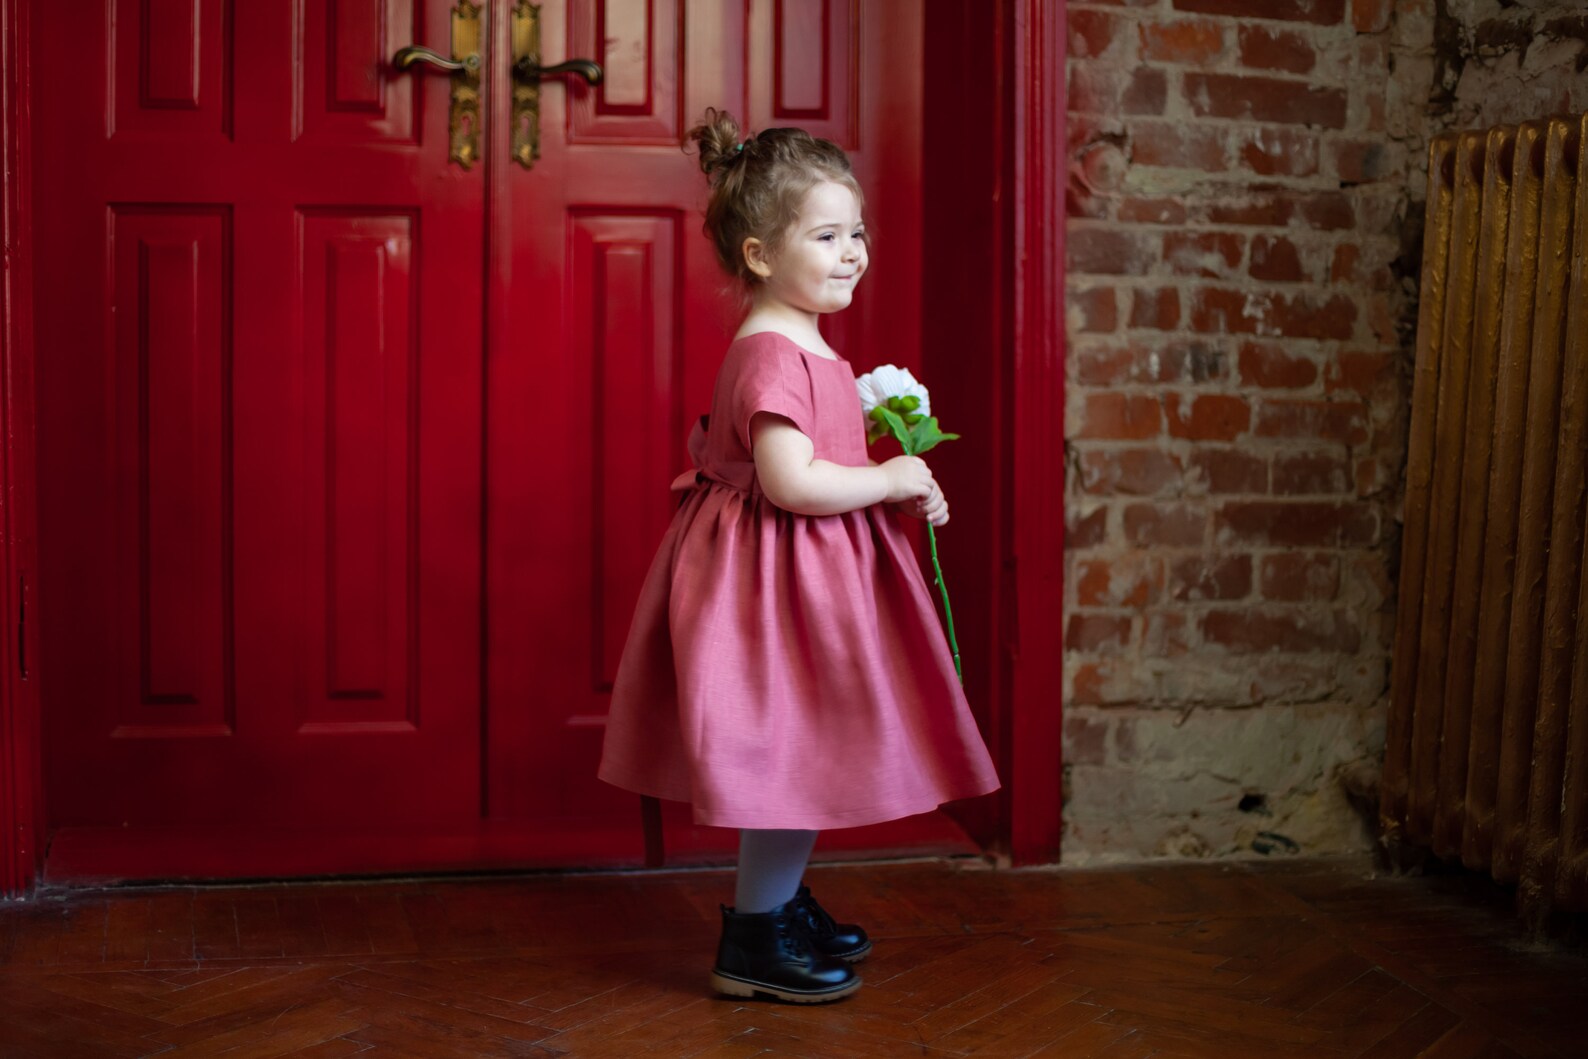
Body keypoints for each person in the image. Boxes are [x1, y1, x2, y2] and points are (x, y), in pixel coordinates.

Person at [598, 108, 1000, 1004]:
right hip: (770, 589)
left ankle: (772, 904)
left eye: (856, 230)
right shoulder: (773, 355)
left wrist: (903, 475)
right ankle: (753, 937)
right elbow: (792, 483)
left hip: (804, 578)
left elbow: (827, 465)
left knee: (806, 751)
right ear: (759, 255)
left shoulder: (804, 341)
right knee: (793, 753)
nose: (853, 250)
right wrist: (890, 478)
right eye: (826, 235)